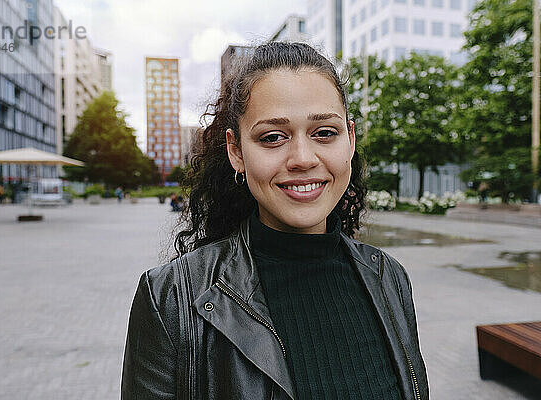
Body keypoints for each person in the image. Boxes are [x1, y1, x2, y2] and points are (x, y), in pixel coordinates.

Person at [122, 42, 429, 399]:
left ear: (350, 138)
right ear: (236, 152)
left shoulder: (390, 278)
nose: (302, 158)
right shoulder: (171, 297)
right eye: (272, 137)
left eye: (325, 133)